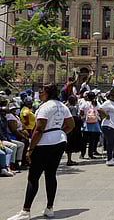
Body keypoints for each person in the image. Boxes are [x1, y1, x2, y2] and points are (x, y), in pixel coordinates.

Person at [7, 84, 74, 220]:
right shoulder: (63, 106)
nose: (40, 94)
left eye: (42, 91)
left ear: (47, 93)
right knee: (51, 174)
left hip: (44, 142)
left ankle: (26, 211)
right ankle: (50, 207)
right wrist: (59, 132)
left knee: (33, 176)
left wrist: (30, 149)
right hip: (60, 140)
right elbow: (71, 125)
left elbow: (39, 129)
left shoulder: (45, 107)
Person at [98, 88, 114, 166]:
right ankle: (109, 159)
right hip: (110, 125)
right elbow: (100, 109)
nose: (113, 96)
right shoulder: (107, 103)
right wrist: (106, 115)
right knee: (111, 143)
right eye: (112, 95)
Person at [79, 92, 101, 159]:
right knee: (92, 141)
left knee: (84, 141)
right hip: (94, 125)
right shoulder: (96, 104)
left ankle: (82, 154)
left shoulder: (84, 104)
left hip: (86, 125)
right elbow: (99, 111)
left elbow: (81, 113)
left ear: (87, 97)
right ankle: (90, 154)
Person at [65, 95, 83, 166]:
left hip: (66, 127)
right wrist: (79, 117)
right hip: (72, 129)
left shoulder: (66, 107)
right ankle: (69, 160)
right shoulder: (73, 108)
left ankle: (69, 159)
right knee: (70, 144)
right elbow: (74, 118)